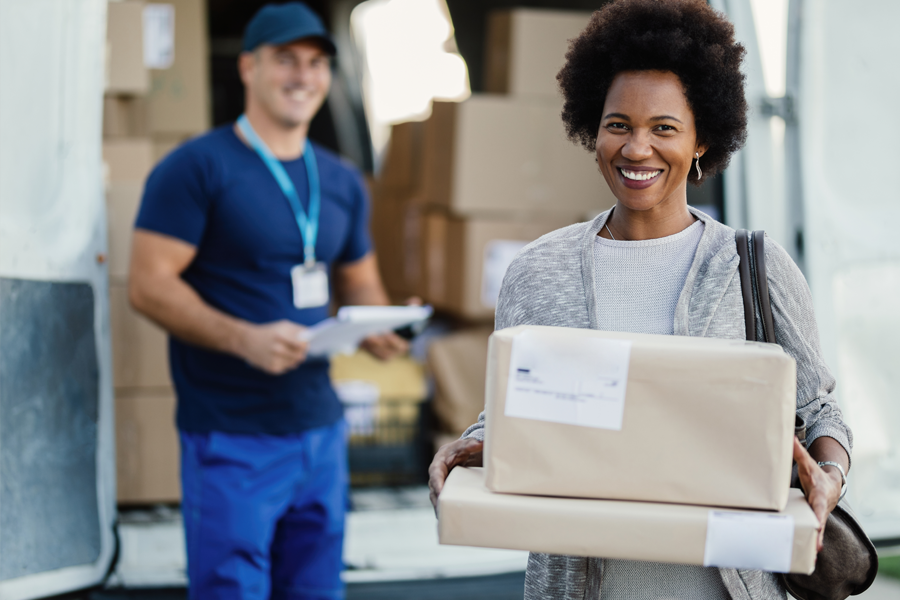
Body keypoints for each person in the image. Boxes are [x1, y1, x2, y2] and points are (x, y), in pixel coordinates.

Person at [427, 1, 852, 598]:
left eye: (664, 128)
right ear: (592, 129)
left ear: (703, 137)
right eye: (618, 124)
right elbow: (517, 410)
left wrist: (828, 473)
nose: (636, 149)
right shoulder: (537, 271)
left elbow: (820, 413)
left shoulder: (753, 266)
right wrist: (475, 444)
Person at [129, 3, 407, 598]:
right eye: (286, 60)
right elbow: (148, 284)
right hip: (231, 434)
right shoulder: (195, 167)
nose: (303, 76)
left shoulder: (341, 179)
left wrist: (384, 327)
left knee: (316, 590)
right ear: (248, 67)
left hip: (319, 430)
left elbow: (359, 282)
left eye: (316, 63)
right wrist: (243, 338)